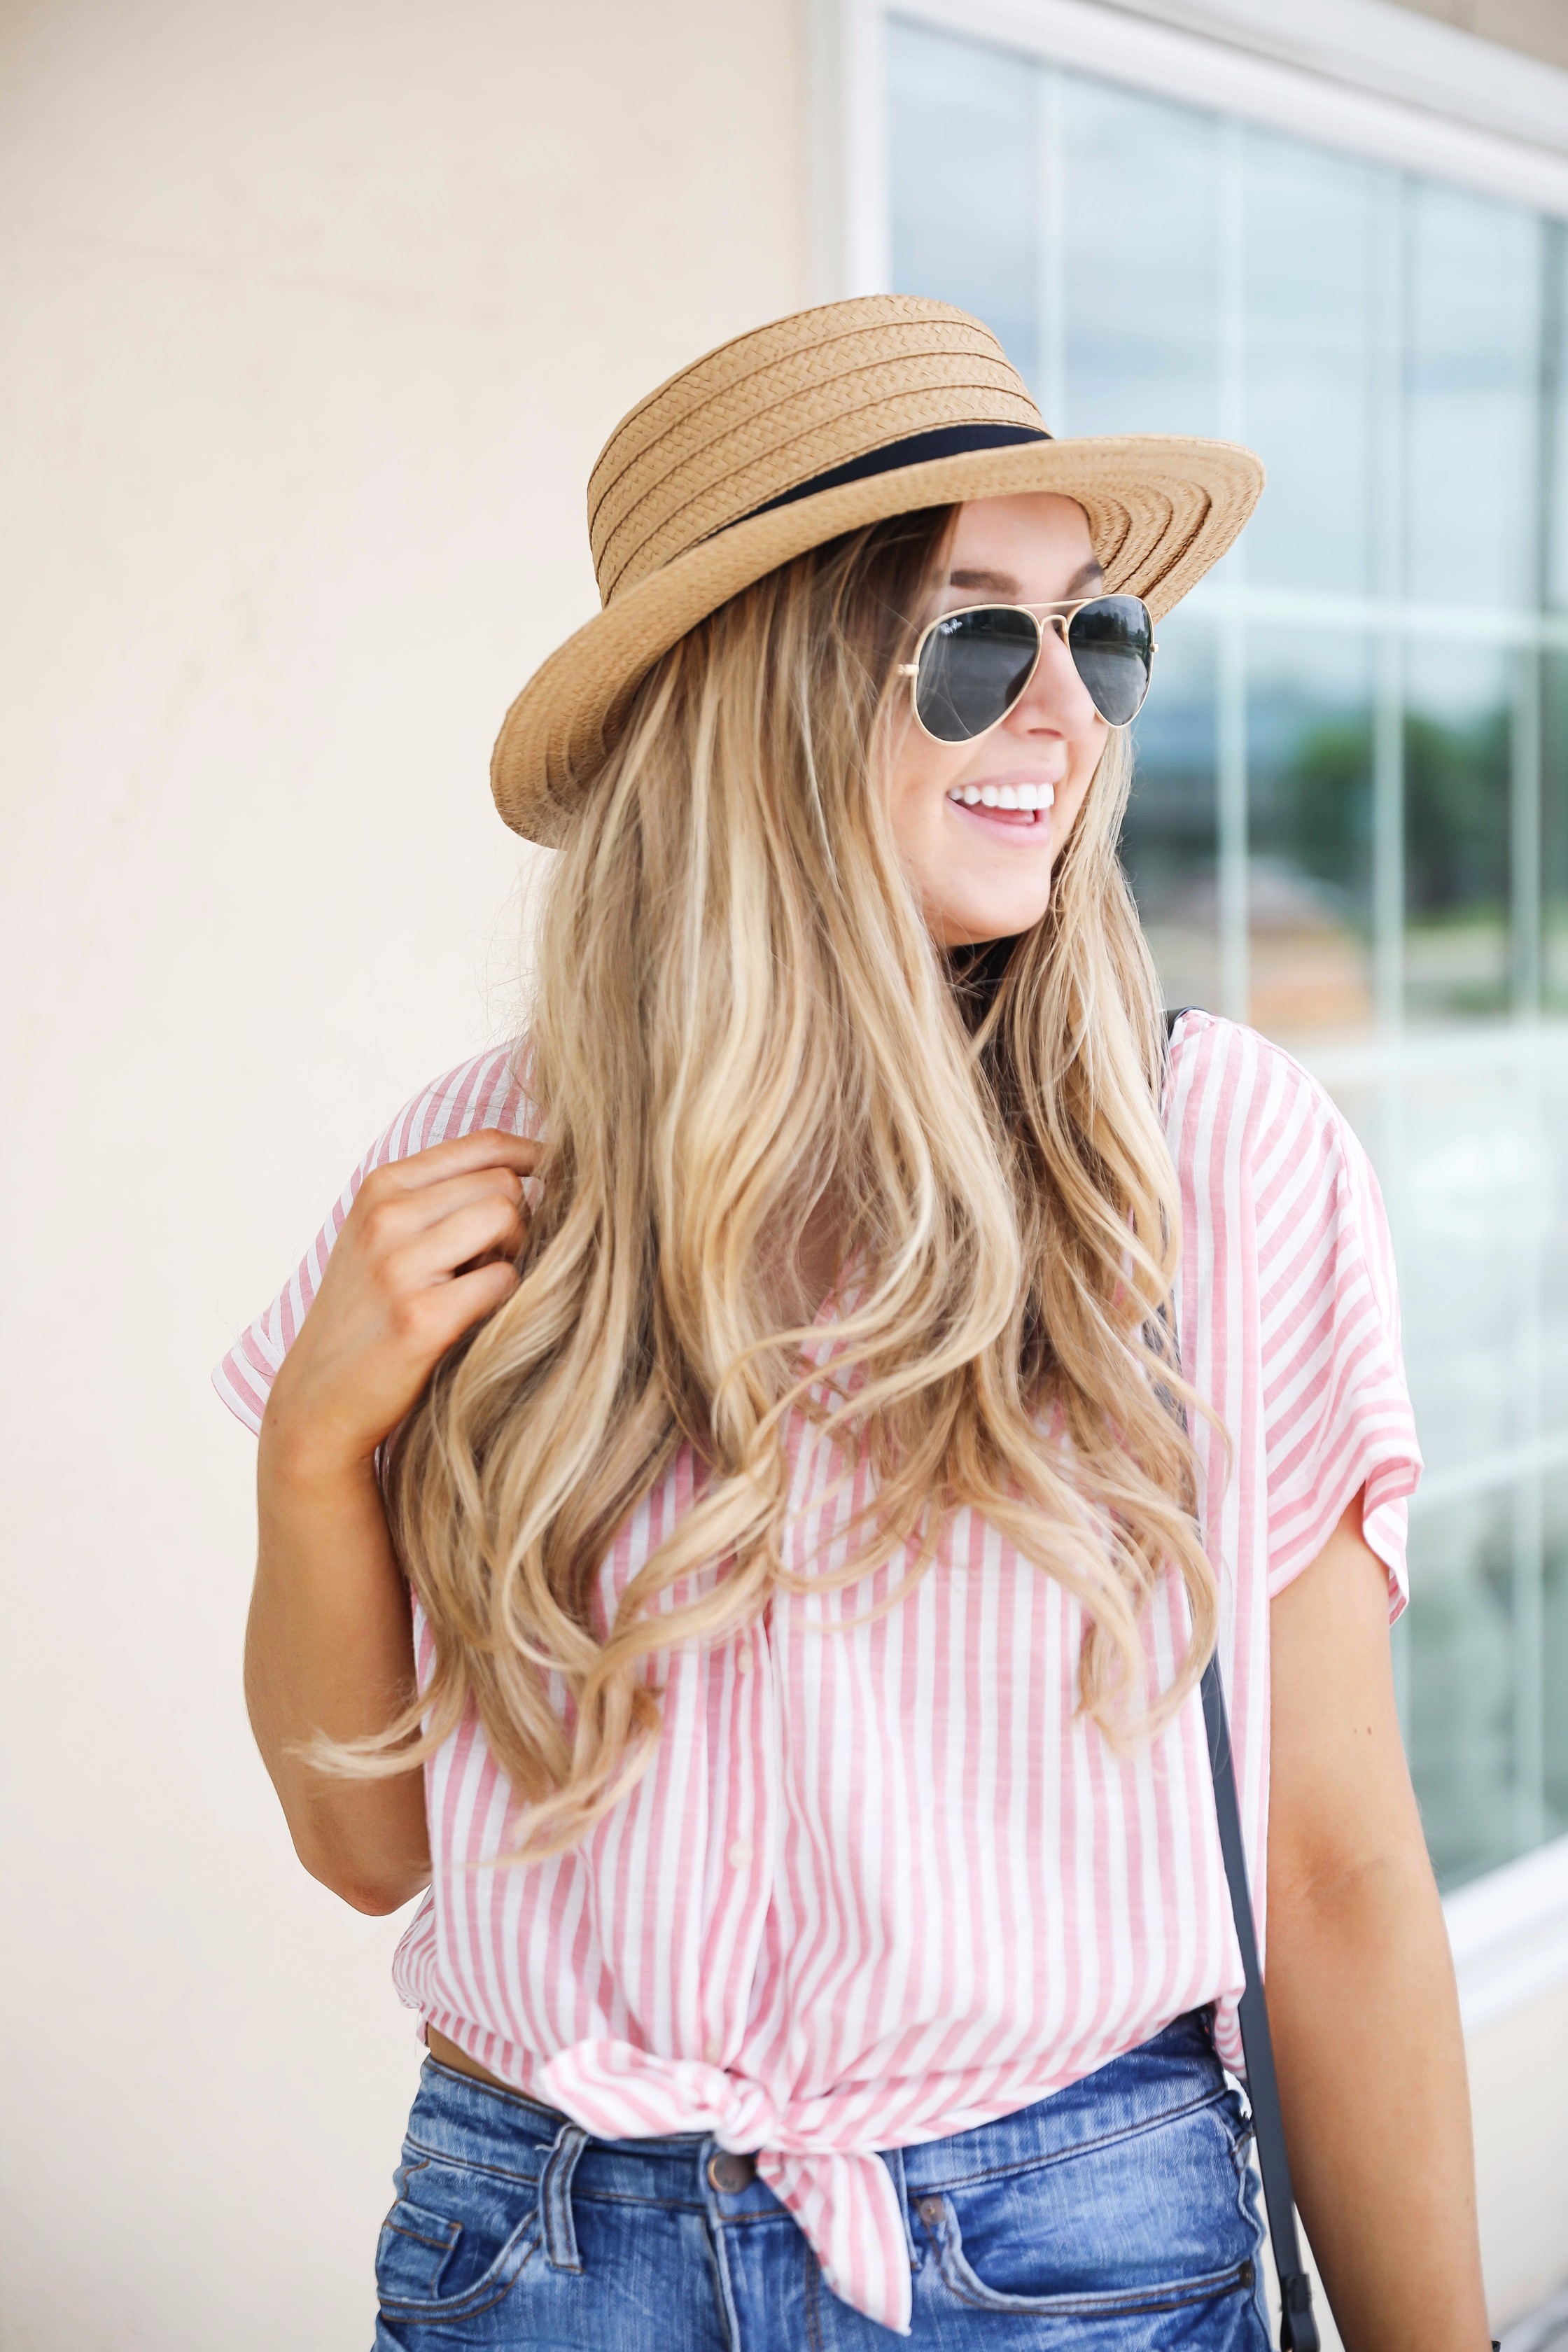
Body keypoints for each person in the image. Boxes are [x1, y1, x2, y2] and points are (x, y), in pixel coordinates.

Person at [217, 297, 1490, 2350]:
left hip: (1065, 2258)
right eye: (976, 638)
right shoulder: (476, 1172)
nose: (1064, 713)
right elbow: (370, 1850)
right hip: (532, 2252)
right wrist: (315, 1459)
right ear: (754, 700)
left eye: (1101, 635)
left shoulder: (1207, 1154)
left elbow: (1335, 1875)